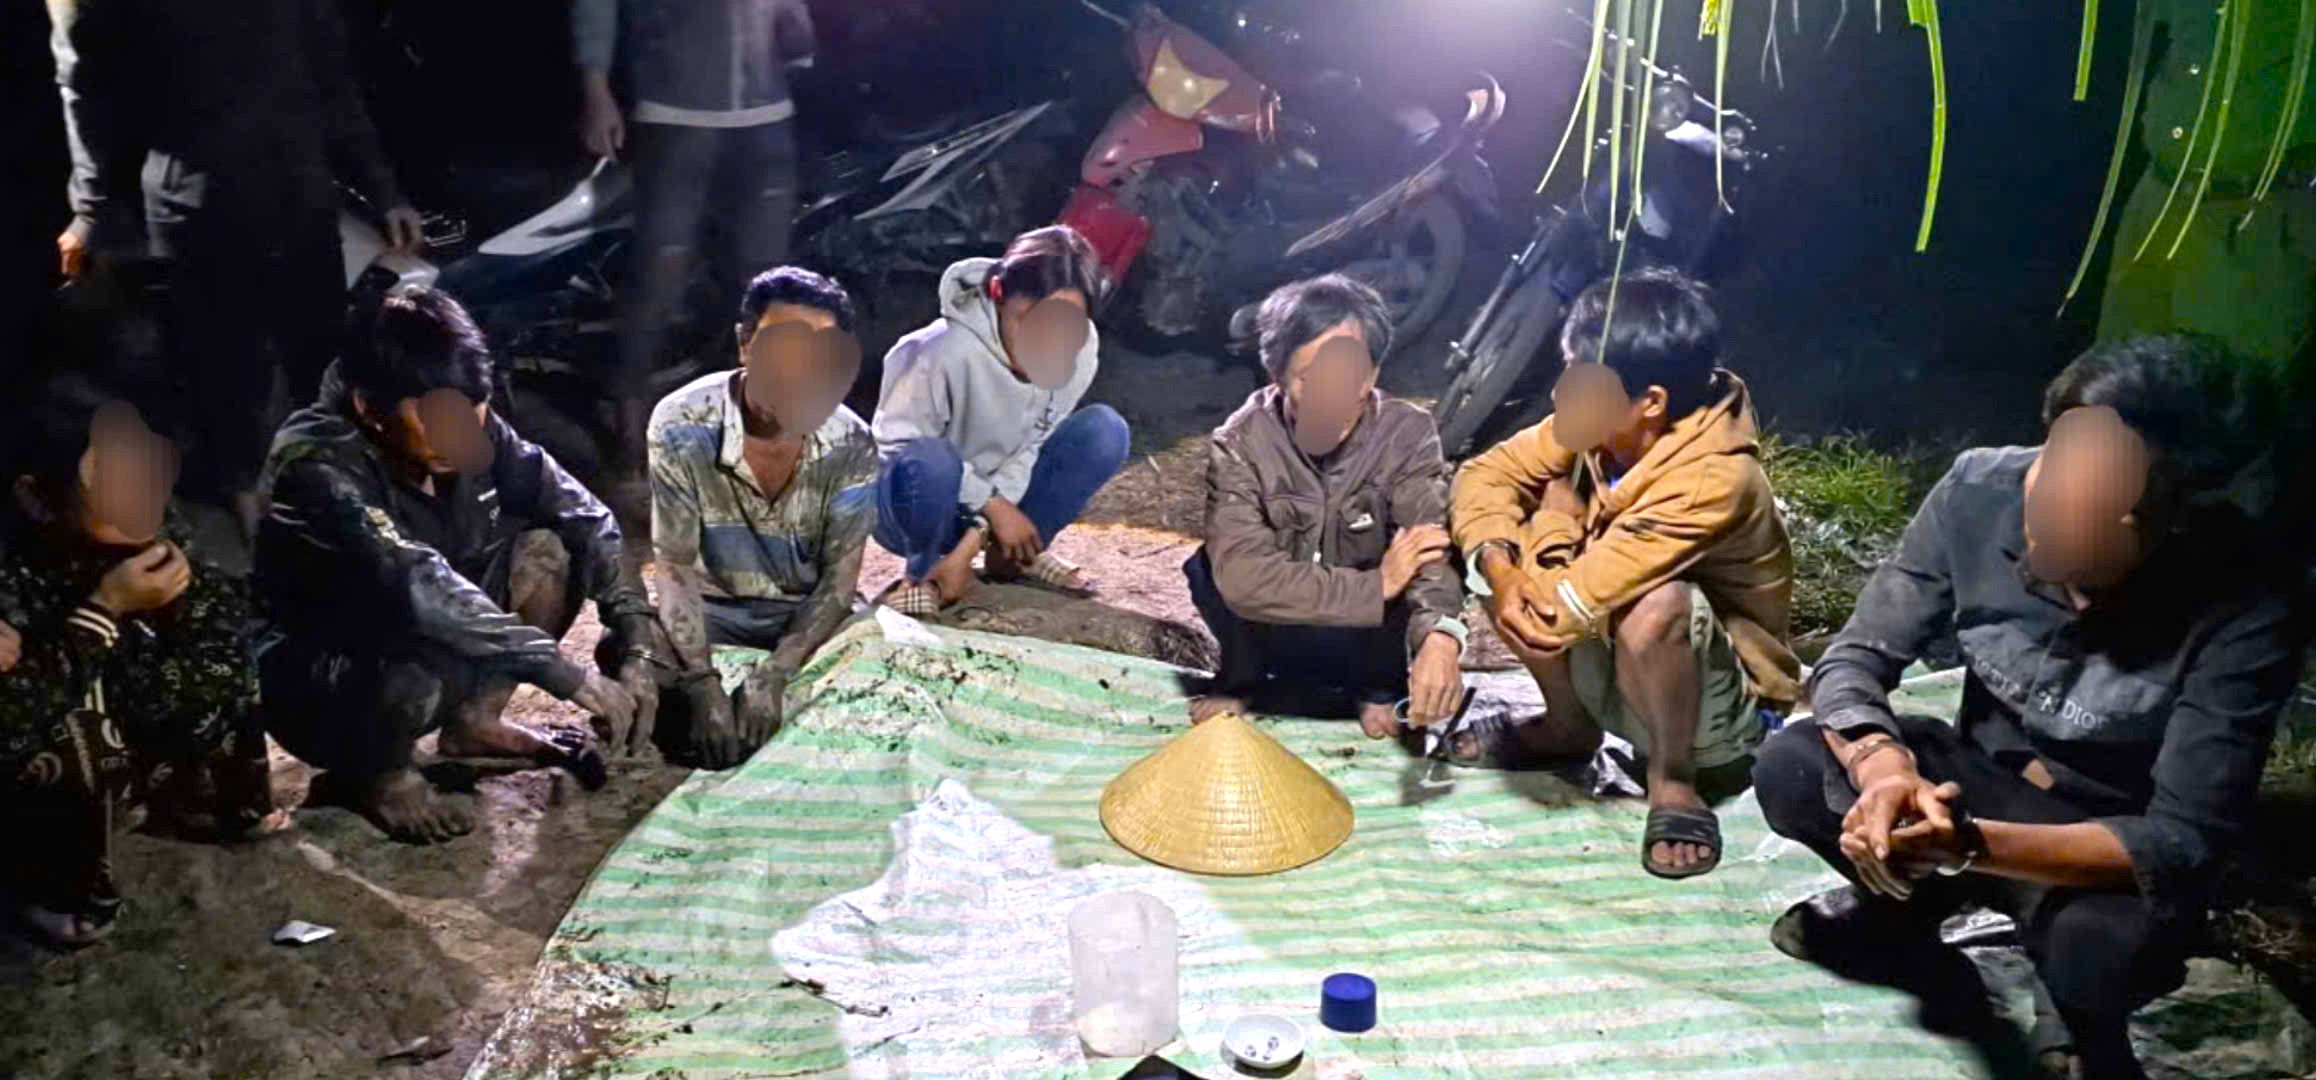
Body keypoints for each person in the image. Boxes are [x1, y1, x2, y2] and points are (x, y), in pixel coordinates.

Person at [1751, 335, 2309, 1079]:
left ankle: (2070, 1006)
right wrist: (1885, 773)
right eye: (2054, 463)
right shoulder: (1979, 492)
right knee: (1793, 766)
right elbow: (1855, 661)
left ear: (2174, 517)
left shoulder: (2249, 598)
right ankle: (1906, 909)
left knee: (2103, 953)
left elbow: (2180, 840)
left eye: (2098, 501)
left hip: (2096, 839)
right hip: (1970, 781)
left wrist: (1968, 847)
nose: (2045, 506)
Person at [252, 285, 667, 844]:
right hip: (328, 674)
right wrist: (563, 674)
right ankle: (381, 775)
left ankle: (476, 721)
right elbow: (416, 584)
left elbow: (583, 514)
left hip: (427, 630)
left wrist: (635, 638)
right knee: (419, 629)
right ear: (369, 409)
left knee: (550, 552)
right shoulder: (315, 463)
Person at [1450, 269, 1799, 879]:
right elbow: (1481, 476)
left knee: (1656, 603)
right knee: (1492, 545)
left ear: (1651, 402)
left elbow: (1566, 607)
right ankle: (1568, 726)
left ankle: (1673, 782)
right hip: (1616, 663)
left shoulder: (1713, 478)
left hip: (1717, 717)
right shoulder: (1605, 423)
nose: (1561, 393)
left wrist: (1553, 526)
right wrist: (1500, 566)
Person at [48, 0, 423, 534]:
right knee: (224, 367)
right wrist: (92, 210)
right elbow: (85, 90)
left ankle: (338, 483)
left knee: (318, 350)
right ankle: (250, 498)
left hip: (299, 186)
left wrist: (383, 190)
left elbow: (330, 74)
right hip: (197, 206)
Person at [0, 377, 279, 948]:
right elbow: (13, 722)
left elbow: (220, 632)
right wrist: (105, 609)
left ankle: (206, 803)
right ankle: (53, 889)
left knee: (224, 648)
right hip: (32, 735)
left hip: (115, 691)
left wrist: (184, 599)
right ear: (35, 497)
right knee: (79, 735)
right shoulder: (11, 568)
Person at [1185, 275, 1466, 738]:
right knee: (1208, 567)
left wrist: (1440, 636)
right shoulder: (1241, 440)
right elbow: (1243, 576)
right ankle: (1242, 678)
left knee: (1418, 562)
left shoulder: (1407, 433)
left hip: (1364, 636)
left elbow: (1429, 547)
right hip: (1279, 623)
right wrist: (1376, 585)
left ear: (1372, 376)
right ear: (1276, 374)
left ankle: (1379, 688)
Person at [647, 267, 876, 768]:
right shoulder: (682, 421)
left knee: (877, 656)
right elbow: (674, 565)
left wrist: (776, 673)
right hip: (713, 609)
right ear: (745, 346)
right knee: (634, 650)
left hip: (802, 613)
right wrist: (702, 681)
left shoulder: (850, 441)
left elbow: (839, 583)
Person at [573, 0, 816, 451]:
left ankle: (757, 408)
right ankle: (628, 407)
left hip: (767, 112)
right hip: (675, 112)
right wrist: (596, 91)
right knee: (661, 268)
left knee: (764, 274)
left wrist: (800, 39)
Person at [871, 226, 1131, 613]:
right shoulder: (936, 351)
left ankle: (1012, 557)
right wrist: (992, 506)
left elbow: (1032, 442)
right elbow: (898, 449)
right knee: (931, 458)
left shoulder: (1080, 349)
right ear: (997, 292)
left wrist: (977, 538)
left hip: (998, 497)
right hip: (915, 504)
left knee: (1105, 431)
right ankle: (922, 571)